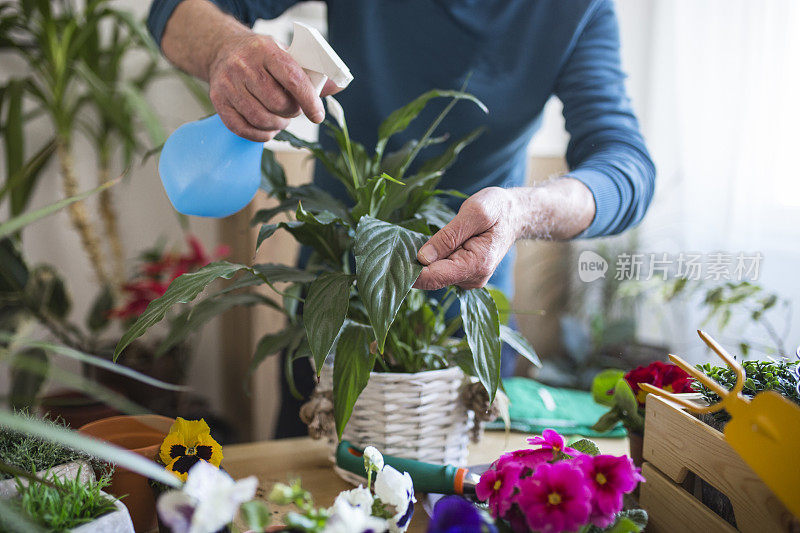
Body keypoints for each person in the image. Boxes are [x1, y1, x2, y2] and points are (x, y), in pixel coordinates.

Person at [148, 0, 655, 437]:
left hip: (460, 324)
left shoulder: (576, 10)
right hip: (332, 313)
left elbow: (627, 166)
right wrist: (225, 49)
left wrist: (522, 211)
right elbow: (171, 10)